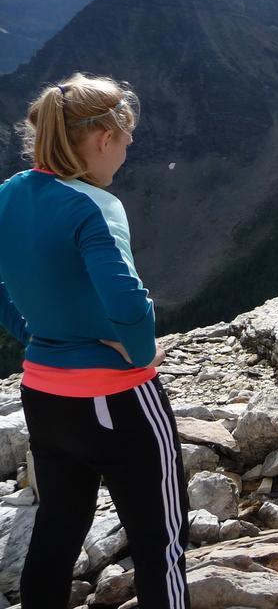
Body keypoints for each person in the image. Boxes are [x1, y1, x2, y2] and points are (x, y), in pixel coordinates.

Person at [0, 73, 190, 609]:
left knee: (57, 532)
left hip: (43, 393)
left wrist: (33, 333)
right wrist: (142, 350)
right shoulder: (95, 206)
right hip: (117, 398)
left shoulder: (7, 195)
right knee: (162, 544)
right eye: (126, 138)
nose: (128, 149)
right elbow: (126, 301)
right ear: (104, 138)